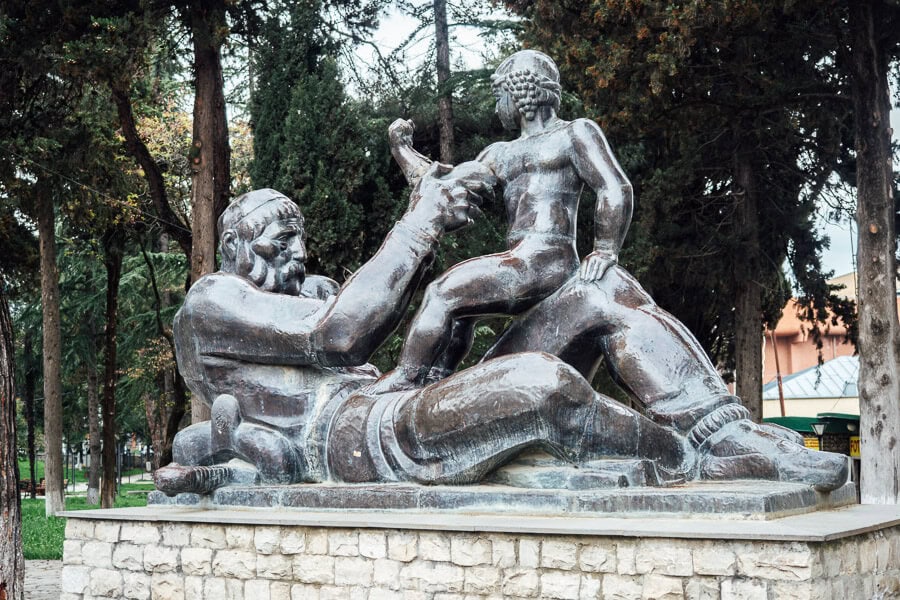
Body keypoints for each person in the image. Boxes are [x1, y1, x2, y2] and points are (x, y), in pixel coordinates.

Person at [154, 167, 699, 495]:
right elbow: (338, 336)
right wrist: (420, 223)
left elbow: (357, 314)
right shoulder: (212, 301)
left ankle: (719, 430)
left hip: (390, 399)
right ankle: (688, 457)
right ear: (234, 249)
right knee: (543, 383)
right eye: (283, 239)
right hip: (357, 436)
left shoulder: (299, 292)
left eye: (300, 239)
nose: (299, 253)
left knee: (598, 292)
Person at [373, 49, 635, 390]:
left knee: (442, 292)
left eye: (500, 96)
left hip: (548, 260)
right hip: (522, 261)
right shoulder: (501, 153)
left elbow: (615, 186)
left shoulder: (575, 134)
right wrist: (402, 149)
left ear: (521, 90)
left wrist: (605, 249)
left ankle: (406, 380)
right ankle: (435, 382)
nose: (497, 107)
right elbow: (441, 187)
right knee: (461, 308)